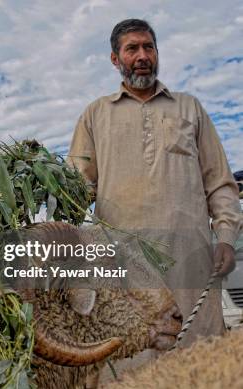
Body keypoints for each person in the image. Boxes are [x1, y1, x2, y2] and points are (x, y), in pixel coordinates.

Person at [68, 18, 242, 354]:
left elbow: (220, 184)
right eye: (132, 48)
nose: (142, 55)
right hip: (123, 270)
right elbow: (76, 188)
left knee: (201, 360)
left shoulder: (189, 108)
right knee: (131, 362)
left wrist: (225, 238)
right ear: (115, 59)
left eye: (149, 47)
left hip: (190, 264)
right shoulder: (95, 115)